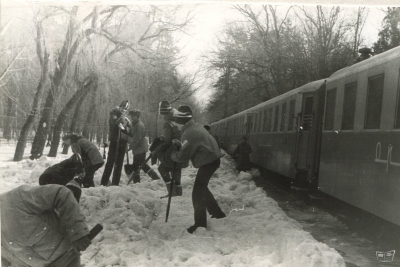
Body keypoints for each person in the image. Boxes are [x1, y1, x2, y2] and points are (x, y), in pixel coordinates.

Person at [1, 182, 91, 267]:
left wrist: (77, 231)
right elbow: (7, 256)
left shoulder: (17, 198)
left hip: (66, 258)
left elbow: (61, 193)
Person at [171, 105, 226, 234]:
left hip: (209, 161)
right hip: (212, 159)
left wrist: (174, 155)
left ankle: (200, 224)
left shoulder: (189, 132)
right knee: (202, 187)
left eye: (178, 118)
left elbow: (184, 156)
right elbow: (188, 147)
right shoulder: (195, 127)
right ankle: (217, 213)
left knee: (197, 192)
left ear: (183, 119)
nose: (176, 121)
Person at [151, 101, 188, 197]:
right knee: (176, 170)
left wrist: (156, 150)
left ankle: (172, 192)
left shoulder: (168, 123)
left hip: (173, 150)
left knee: (162, 168)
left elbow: (167, 141)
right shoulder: (178, 119)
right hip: (181, 149)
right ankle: (178, 193)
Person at [100, 100, 131, 186]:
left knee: (119, 163)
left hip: (123, 142)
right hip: (115, 141)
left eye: (126, 108)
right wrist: (122, 119)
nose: (124, 110)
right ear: (120, 106)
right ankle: (104, 182)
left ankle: (115, 183)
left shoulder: (126, 118)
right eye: (123, 107)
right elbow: (114, 124)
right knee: (110, 162)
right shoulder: (113, 114)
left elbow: (129, 131)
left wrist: (125, 127)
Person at [125, 109, 160, 183]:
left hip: (140, 148)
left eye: (134, 116)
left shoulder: (138, 125)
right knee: (140, 165)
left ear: (137, 116)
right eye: (131, 116)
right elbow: (132, 134)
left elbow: (137, 139)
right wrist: (125, 129)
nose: (132, 118)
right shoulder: (134, 124)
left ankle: (138, 181)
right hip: (138, 148)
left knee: (139, 165)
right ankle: (153, 177)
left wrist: (129, 148)